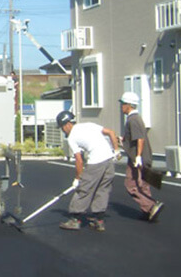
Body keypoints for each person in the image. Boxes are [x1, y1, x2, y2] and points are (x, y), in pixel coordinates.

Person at [56, 111, 120, 231]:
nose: (63, 131)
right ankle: (99, 220)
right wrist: (116, 151)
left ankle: (75, 220)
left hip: (96, 161)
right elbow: (111, 132)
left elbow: (79, 161)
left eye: (62, 128)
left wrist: (77, 179)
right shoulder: (89, 125)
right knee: (103, 189)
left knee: (84, 189)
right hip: (109, 160)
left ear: (66, 124)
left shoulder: (72, 137)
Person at [120, 92, 164, 222]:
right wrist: (122, 141)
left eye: (123, 104)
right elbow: (134, 139)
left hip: (137, 159)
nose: (121, 106)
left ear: (128, 105)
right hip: (143, 156)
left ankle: (151, 205)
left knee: (130, 184)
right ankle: (148, 212)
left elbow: (140, 139)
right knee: (143, 185)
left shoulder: (133, 120)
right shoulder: (136, 119)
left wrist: (138, 156)